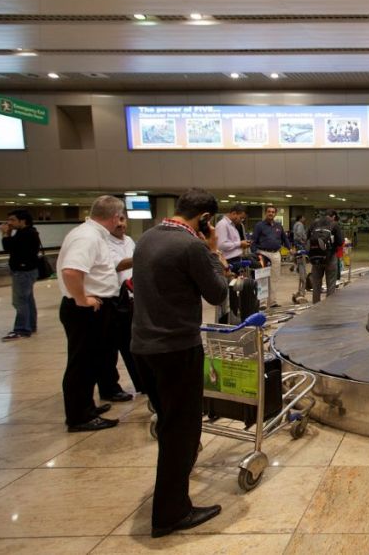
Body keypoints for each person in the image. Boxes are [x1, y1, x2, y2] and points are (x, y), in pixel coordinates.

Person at [131, 188, 229, 539]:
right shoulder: (192, 246)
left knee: (170, 424)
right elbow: (217, 292)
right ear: (204, 218)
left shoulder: (146, 238)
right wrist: (214, 250)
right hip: (175, 349)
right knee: (182, 432)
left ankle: (170, 498)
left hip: (142, 348)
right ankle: (171, 513)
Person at [56, 195, 127, 432]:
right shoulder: (87, 237)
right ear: (116, 216)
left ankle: (86, 405)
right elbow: (71, 271)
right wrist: (82, 299)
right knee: (82, 363)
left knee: (94, 359)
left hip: (98, 306)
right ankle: (79, 416)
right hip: (86, 309)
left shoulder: (94, 234)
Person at [101, 214, 141, 400]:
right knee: (109, 347)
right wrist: (143, 255)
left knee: (132, 342)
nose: (121, 224)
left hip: (132, 297)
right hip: (112, 298)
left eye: (123, 220)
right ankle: (109, 387)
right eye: (117, 221)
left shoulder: (129, 241)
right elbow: (117, 265)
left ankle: (142, 383)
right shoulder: (103, 242)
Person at [0, 208, 41, 341]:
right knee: (28, 300)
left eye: (12, 220)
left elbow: (9, 247)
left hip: (23, 272)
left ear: (23, 221)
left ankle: (21, 329)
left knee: (20, 301)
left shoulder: (25, 234)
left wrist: (6, 234)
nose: (9, 223)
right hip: (29, 270)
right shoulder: (29, 232)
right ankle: (30, 325)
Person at [250, 205, 288, 307]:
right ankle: (262, 302)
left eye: (273, 212)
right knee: (262, 278)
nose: (271, 213)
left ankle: (272, 302)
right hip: (263, 253)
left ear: (275, 214)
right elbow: (253, 240)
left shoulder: (278, 226)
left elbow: (284, 238)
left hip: (275, 254)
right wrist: (255, 253)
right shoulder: (259, 225)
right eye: (269, 211)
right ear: (266, 213)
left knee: (275, 278)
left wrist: (290, 248)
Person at [307, 209, 344, 304]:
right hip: (330, 258)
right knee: (331, 284)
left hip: (316, 258)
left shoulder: (314, 223)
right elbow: (340, 242)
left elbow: (307, 238)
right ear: (334, 216)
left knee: (316, 284)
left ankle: (315, 305)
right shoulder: (334, 224)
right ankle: (328, 307)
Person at [215, 204, 250, 271]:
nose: (241, 221)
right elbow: (221, 245)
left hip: (236, 259)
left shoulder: (232, 225)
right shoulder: (222, 224)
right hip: (228, 261)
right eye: (241, 218)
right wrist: (240, 244)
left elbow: (232, 242)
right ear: (234, 213)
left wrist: (242, 245)